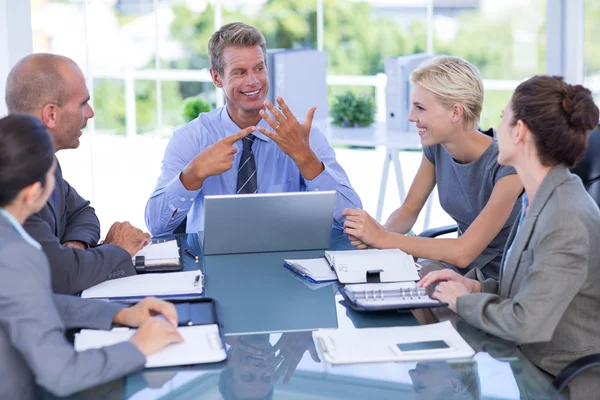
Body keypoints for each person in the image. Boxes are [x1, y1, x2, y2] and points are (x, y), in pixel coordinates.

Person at [419, 75, 600, 399]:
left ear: (520, 133)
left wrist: (463, 302)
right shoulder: (539, 197)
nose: (496, 127)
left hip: (562, 382)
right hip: (527, 367)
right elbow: (532, 290)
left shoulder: (565, 218)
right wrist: (475, 286)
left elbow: (526, 322)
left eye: (503, 117)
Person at [0, 114, 183, 399]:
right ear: (34, 193)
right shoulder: (17, 254)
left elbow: (32, 302)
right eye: (51, 176)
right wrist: (137, 346)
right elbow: (61, 373)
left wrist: (120, 314)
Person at [145, 22, 361, 236]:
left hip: (287, 259)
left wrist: (305, 158)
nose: (253, 81)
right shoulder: (190, 138)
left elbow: (353, 219)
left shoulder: (303, 136)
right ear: (216, 78)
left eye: (259, 68)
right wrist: (192, 174)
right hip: (209, 263)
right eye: (240, 72)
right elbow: (156, 227)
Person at [343, 56, 522, 280]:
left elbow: (464, 252)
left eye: (420, 108)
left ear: (456, 112)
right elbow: (409, 210)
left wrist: (383, 238)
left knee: (409, 288)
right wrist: (376, 235)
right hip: (457, 267)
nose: (411, 117)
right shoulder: (437, 148)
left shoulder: (508, 165)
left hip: (500, 279)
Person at [5, 53, 151, 295]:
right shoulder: (13, 183)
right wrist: (119, 249)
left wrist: (74, 247)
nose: (90, 113)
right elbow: (63, 277)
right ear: (51, 114)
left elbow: (82, 212)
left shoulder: (46, 161)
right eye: (83, 103)